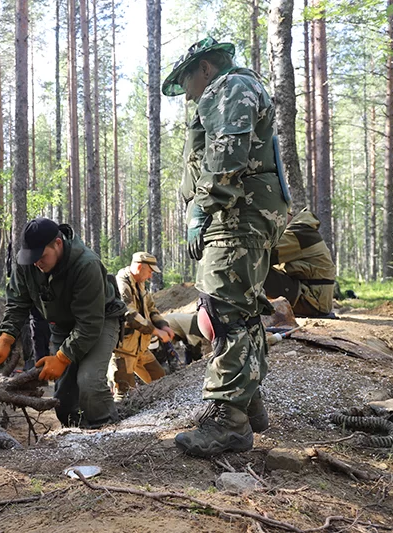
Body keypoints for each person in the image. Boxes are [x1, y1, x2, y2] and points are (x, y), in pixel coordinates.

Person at [163, 37, 288, 456]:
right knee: (243, 311)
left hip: (237, 214)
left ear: (205, 68)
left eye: (187, 80)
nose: (187, 92)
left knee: (225, 312)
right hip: (240, 213)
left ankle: (229, 422)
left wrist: (202, 206)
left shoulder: (229, 88)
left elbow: (227, 153)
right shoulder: (232, 88)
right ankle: (247, 402)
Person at [0, 218, 127, 429]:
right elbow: (18, 302)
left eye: (41, 257)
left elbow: (89, 323)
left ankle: (106, 430)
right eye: (32, 258)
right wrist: (6, 338)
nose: (36, 263)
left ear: (58, 244)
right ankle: (74, 435)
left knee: (89, 383)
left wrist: (62, 357)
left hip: (100, 320)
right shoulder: (28, 263)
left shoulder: (86, 265)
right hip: (62, 325)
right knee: (64, 396)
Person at [109, 252, 175, 400]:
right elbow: (130, 315)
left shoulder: (140, 283)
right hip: (124, 349)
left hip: (141, 348)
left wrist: (163, 325)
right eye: (150, 271)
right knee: (125, 394)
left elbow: (151, 309)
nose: (151, 276)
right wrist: (156, 331)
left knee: (161, 382)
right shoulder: (122, 283)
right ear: (140, 267)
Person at [264, 208, 336, 317]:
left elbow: (265, 254)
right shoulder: (303, 230)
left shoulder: (300, 233)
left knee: (251, 268)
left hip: (312, 302)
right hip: (314, 298)